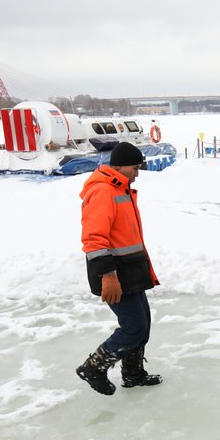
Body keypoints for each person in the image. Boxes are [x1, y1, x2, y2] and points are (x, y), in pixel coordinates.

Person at [75, 142, 163, 396]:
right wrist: (108, 275)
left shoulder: (119, 187)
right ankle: (93, 367)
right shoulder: (103, 191)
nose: (137, 173)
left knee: (143, 325)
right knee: (133, 327)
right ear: (121, 165)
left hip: (131, 268)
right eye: (135, 168)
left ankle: (133, 374)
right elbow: (93, 237)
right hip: (115, 272)